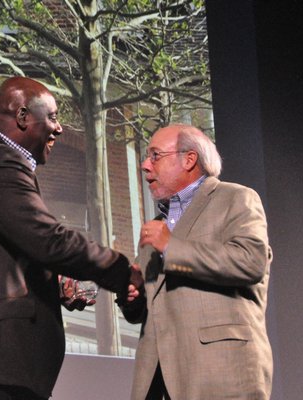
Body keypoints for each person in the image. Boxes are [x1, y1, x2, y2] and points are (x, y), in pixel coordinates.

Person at [0, 76, 142, 400]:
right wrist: (120, 270)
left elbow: (8, 251)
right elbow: (49, 240)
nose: (59, 128)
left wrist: (52, 278)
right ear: (22, 117)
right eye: (52, 116)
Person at [120, 124, 273, 399]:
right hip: (158, 380)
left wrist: (171, 247)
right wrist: (133, 297)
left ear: (189, 159)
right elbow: (151, 309)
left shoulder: (235, 198)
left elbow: (251, 262)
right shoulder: (155, 227)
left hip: (221, 374)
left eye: (155, 155)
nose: (145, 165)